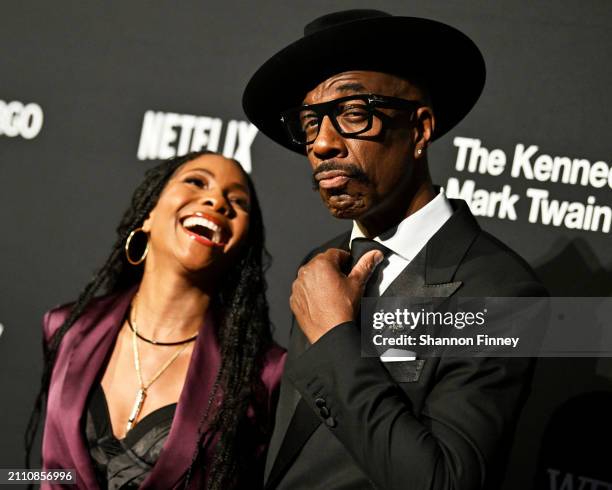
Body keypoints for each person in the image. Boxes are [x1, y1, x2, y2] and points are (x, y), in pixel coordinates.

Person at [242, 9, 547, 490]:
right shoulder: (322, 264)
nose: (322, 143)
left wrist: (334, 337)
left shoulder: (501, 292)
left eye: (352, 114)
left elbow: (443, 481)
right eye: (309, 123)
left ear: (421, 129)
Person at [26, 151, 286, 489]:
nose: (217, 201)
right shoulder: (67, 328)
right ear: (148, 214)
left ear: (241, 249)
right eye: (196, 181)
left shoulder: (263, 375)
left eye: (238, 202)